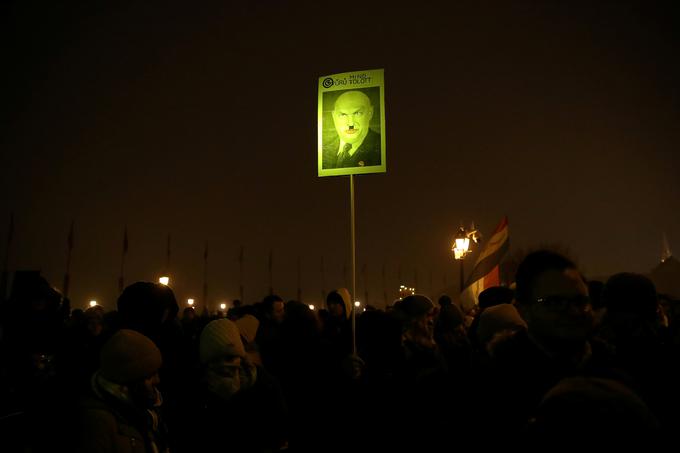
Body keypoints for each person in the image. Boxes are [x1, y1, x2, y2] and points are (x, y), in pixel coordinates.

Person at [322, 90, 381, 169]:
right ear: (334, 116)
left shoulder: (381, 148)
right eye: (343, 115)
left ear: (370, 113)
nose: (350, 124)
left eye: (358, 113)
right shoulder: (323, 149)